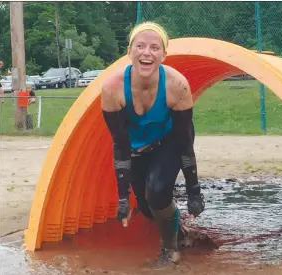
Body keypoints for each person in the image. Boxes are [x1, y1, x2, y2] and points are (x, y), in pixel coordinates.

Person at [101, 21, 205, 265]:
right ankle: (179, 231)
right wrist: (122, 198)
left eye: (154, 47)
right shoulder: (112, 88)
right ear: (129, 52)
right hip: (135, 147)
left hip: (170, 141)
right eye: (140, 46)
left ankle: (171, 251)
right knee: (148, 208)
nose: (147, 52)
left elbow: (184, 142)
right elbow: (120, 145)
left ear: (164, 55)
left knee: (157, 192)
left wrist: (194, 191)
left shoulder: (176, 85)